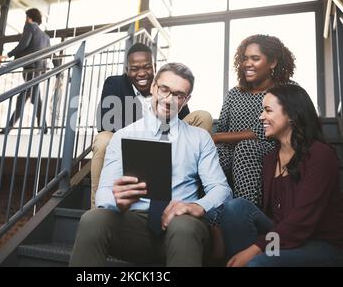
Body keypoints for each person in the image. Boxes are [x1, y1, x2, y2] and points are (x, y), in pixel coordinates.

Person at [69, 63, 232, 267]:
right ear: (154, 87)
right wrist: (117, 201)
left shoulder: (200, 138)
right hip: (135, 224)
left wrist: (198, 206)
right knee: (92, 220)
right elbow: (103, 195)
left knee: (183, 227)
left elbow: (221, 189)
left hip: (182, 225)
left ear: (186, 100)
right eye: (164, 89)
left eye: (178, 94)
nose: (169, 99)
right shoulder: (123, 136)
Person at [219, 84, 343, 267]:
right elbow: (273, 217)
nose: (261, 117)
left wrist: (255, 249)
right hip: (283, 237)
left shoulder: (320, 155)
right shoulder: (270, 159)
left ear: (292, 115)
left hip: (320, 243)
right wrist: (259, 247)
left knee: (257, 262)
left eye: (268, 110)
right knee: (235, 208)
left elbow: (302, 221)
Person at [91, 43, 213, 208]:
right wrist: (147, 129)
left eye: (147, 67)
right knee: (102, 139)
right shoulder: (115, 83)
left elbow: (182, 114)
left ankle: (184, 181)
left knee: (203, 116)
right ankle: (99, 206)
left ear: (154, 67)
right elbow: (106, 121)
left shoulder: (165, 84)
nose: (141, 73)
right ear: (127, 70)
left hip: (171, 136)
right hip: (132, 139)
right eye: (135, 68)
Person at [212, 34, 296, 206]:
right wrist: (215, 139)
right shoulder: (235, 93)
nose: (247, 64)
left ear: (272, 62)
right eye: (245, 58)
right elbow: (221, 126)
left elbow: (260, 133)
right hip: (230, 152)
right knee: (214, 154)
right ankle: (213, 214)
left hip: (271, 149)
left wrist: (217, 137)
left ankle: (245, 213)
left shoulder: (287, 90)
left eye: (255, 58)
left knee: (246, 148)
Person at [0, 8, 51, 133]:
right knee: (28, 99)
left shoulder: (29, 27)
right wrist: (58, 72)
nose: (25, 20)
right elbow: (50, 54)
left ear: (29, 18)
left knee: (32, 99)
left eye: (26, 18)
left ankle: (42, 127)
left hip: (30, 70)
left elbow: (23, 45)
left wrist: (7, 55)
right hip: (39, 71)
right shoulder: (46, 37)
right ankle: (41, 127)